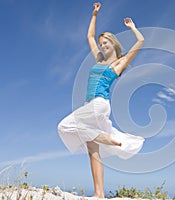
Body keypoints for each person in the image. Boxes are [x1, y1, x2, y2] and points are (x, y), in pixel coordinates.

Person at [57, 2, 145, 198]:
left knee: (63, 126)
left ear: (114, 44)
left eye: (106, 42)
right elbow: (89, 36)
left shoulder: (118, 64)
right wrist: (94, 14)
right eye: (101, 43)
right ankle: (99, 194)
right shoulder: (98, 60)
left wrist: (132, 28)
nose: (103, 45)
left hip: (99, 105)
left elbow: (140, 42)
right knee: (93, 152)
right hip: (91, 106)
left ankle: (104, 137)